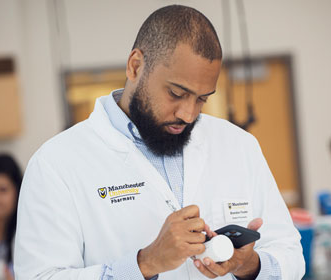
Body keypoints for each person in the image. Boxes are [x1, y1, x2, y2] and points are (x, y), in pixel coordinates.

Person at [15, 5, 304, 280]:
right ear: (136, 66)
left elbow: (290, 255)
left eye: (202, 98)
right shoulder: (56, 164)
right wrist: (145, 263)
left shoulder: (239, 146)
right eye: (177, 93)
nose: (188, 114)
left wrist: (249, 266)